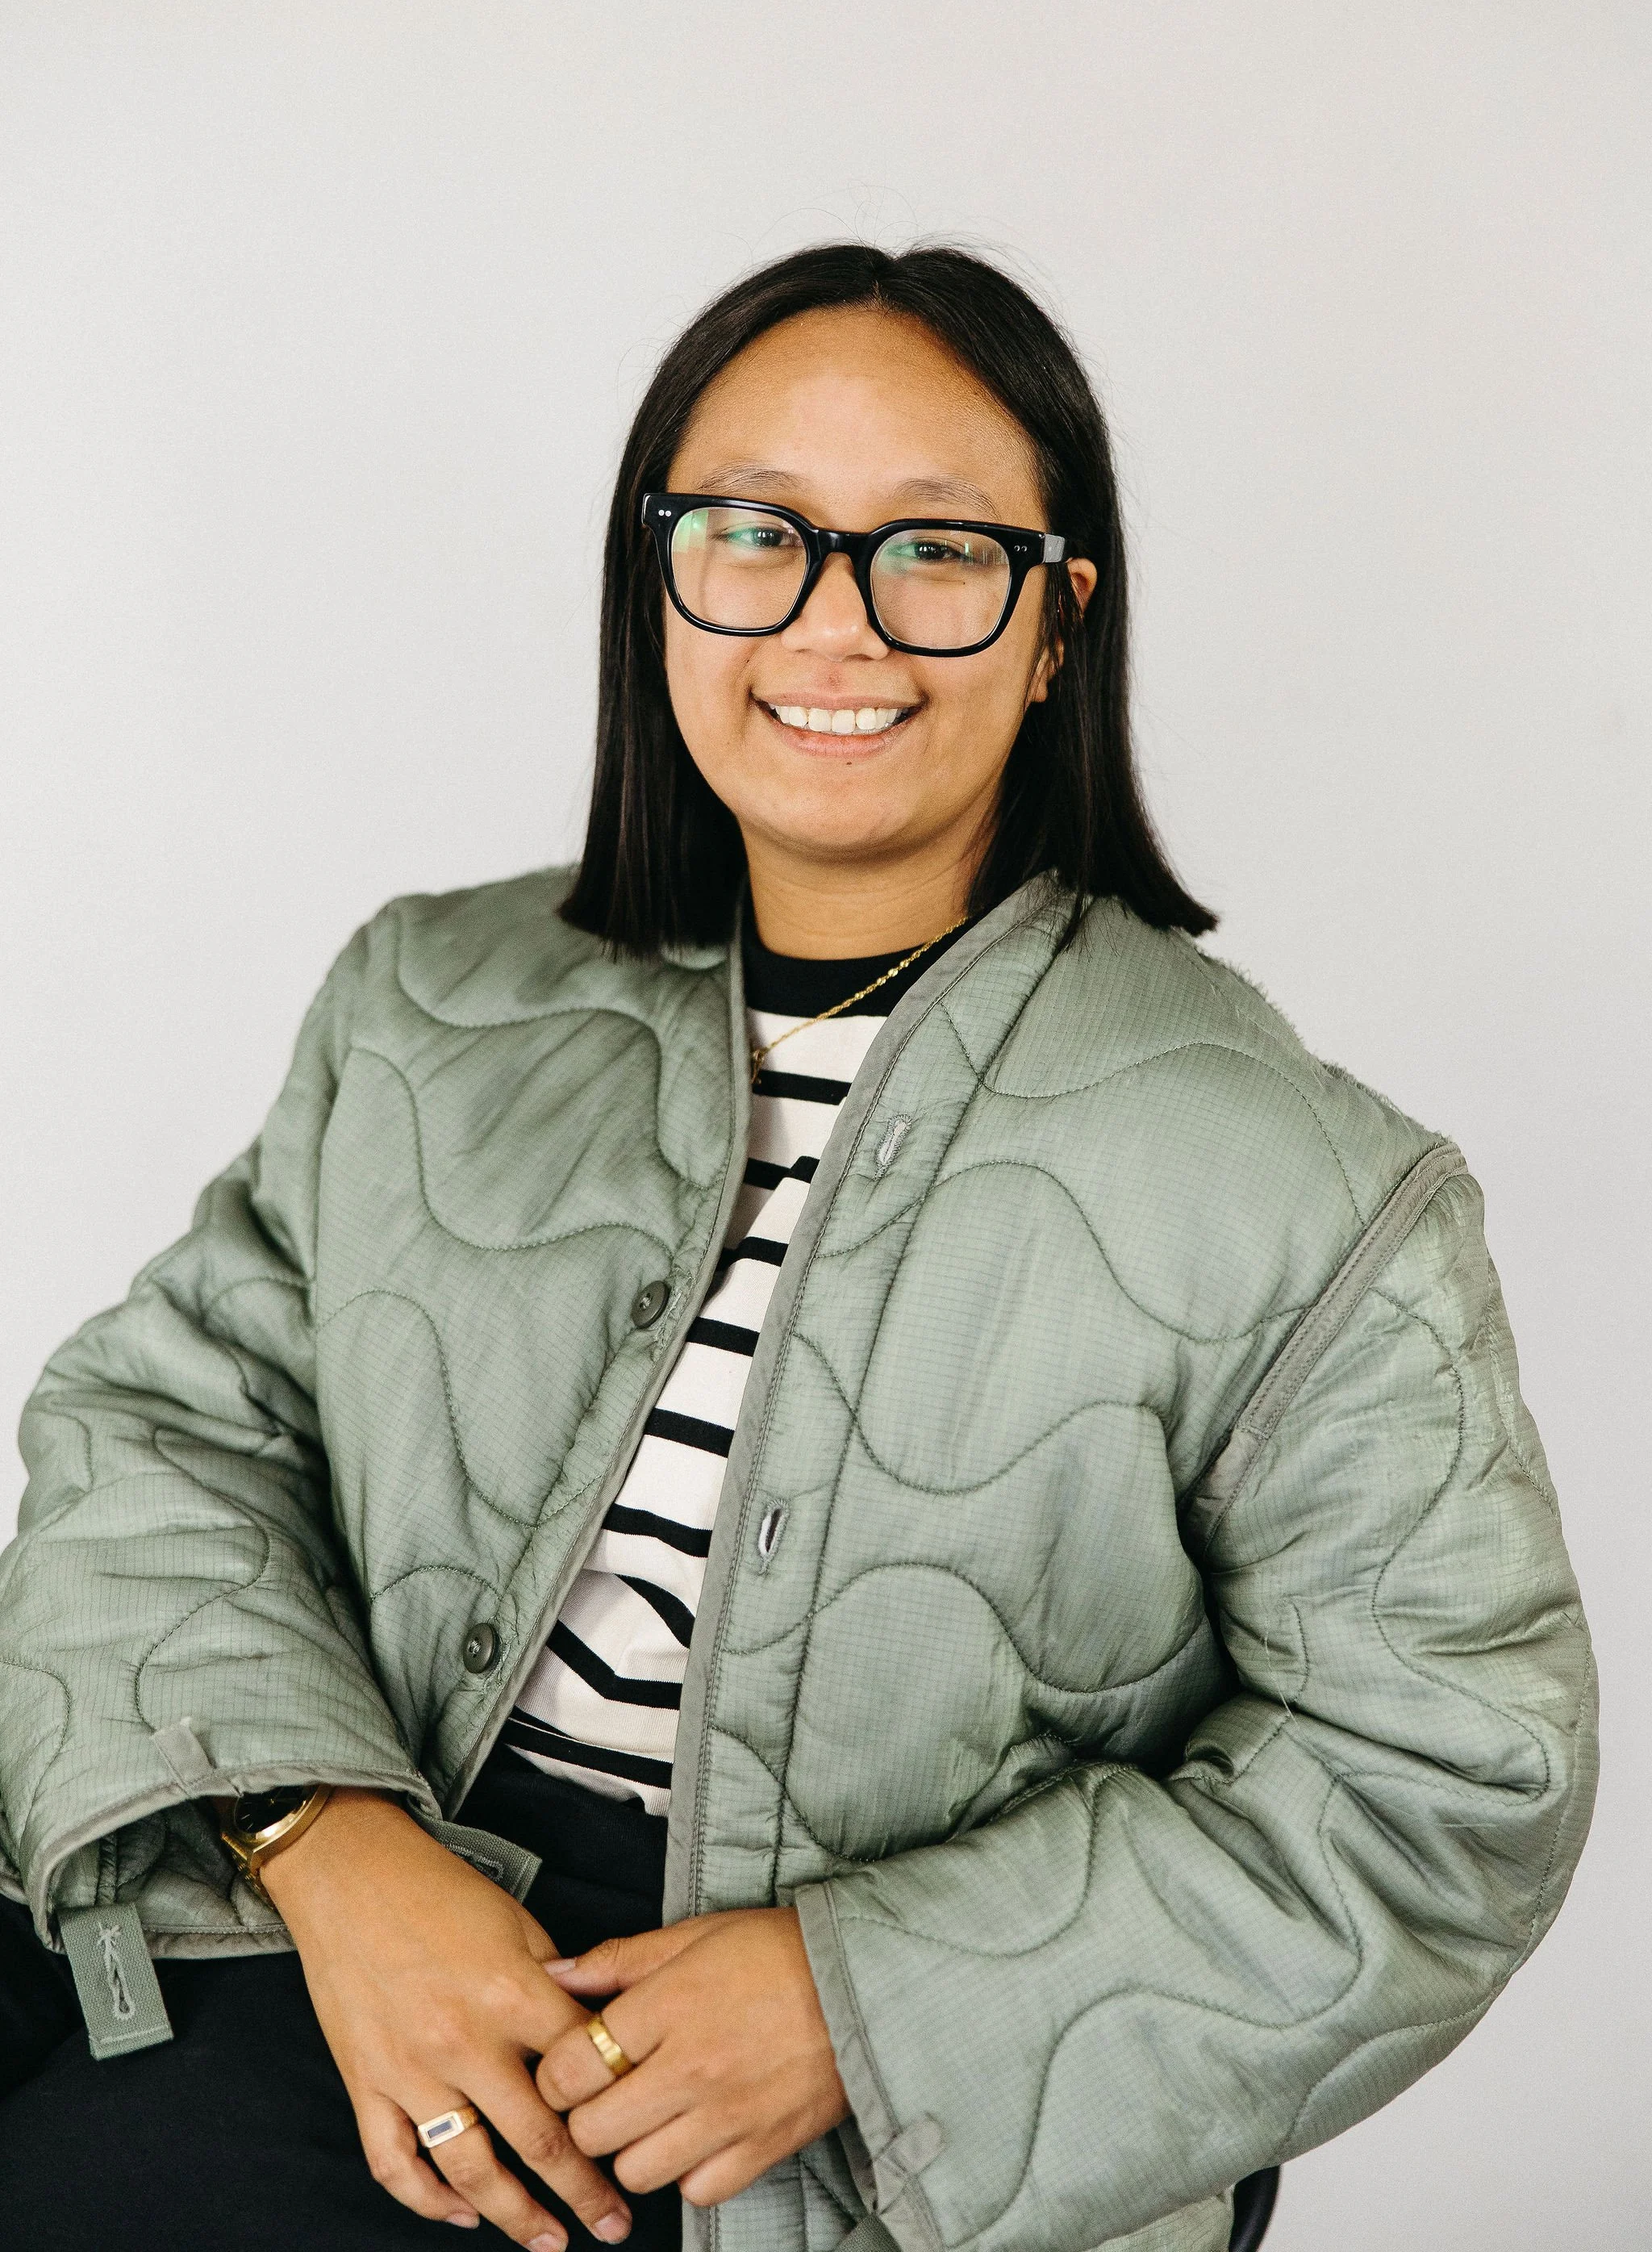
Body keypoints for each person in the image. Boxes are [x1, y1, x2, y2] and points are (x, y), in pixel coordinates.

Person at [0, 244, 1596, 2252]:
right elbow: (156, 1434)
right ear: (656, 578)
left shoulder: (1311, 1186)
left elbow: (1449, 1784)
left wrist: (862, 1999)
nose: (834, 624)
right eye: (753, 532)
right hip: (333, 1928)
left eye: (935, 549)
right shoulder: (428, 1002)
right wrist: (330, 1847)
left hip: (871, 2115)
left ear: (1053, 622)